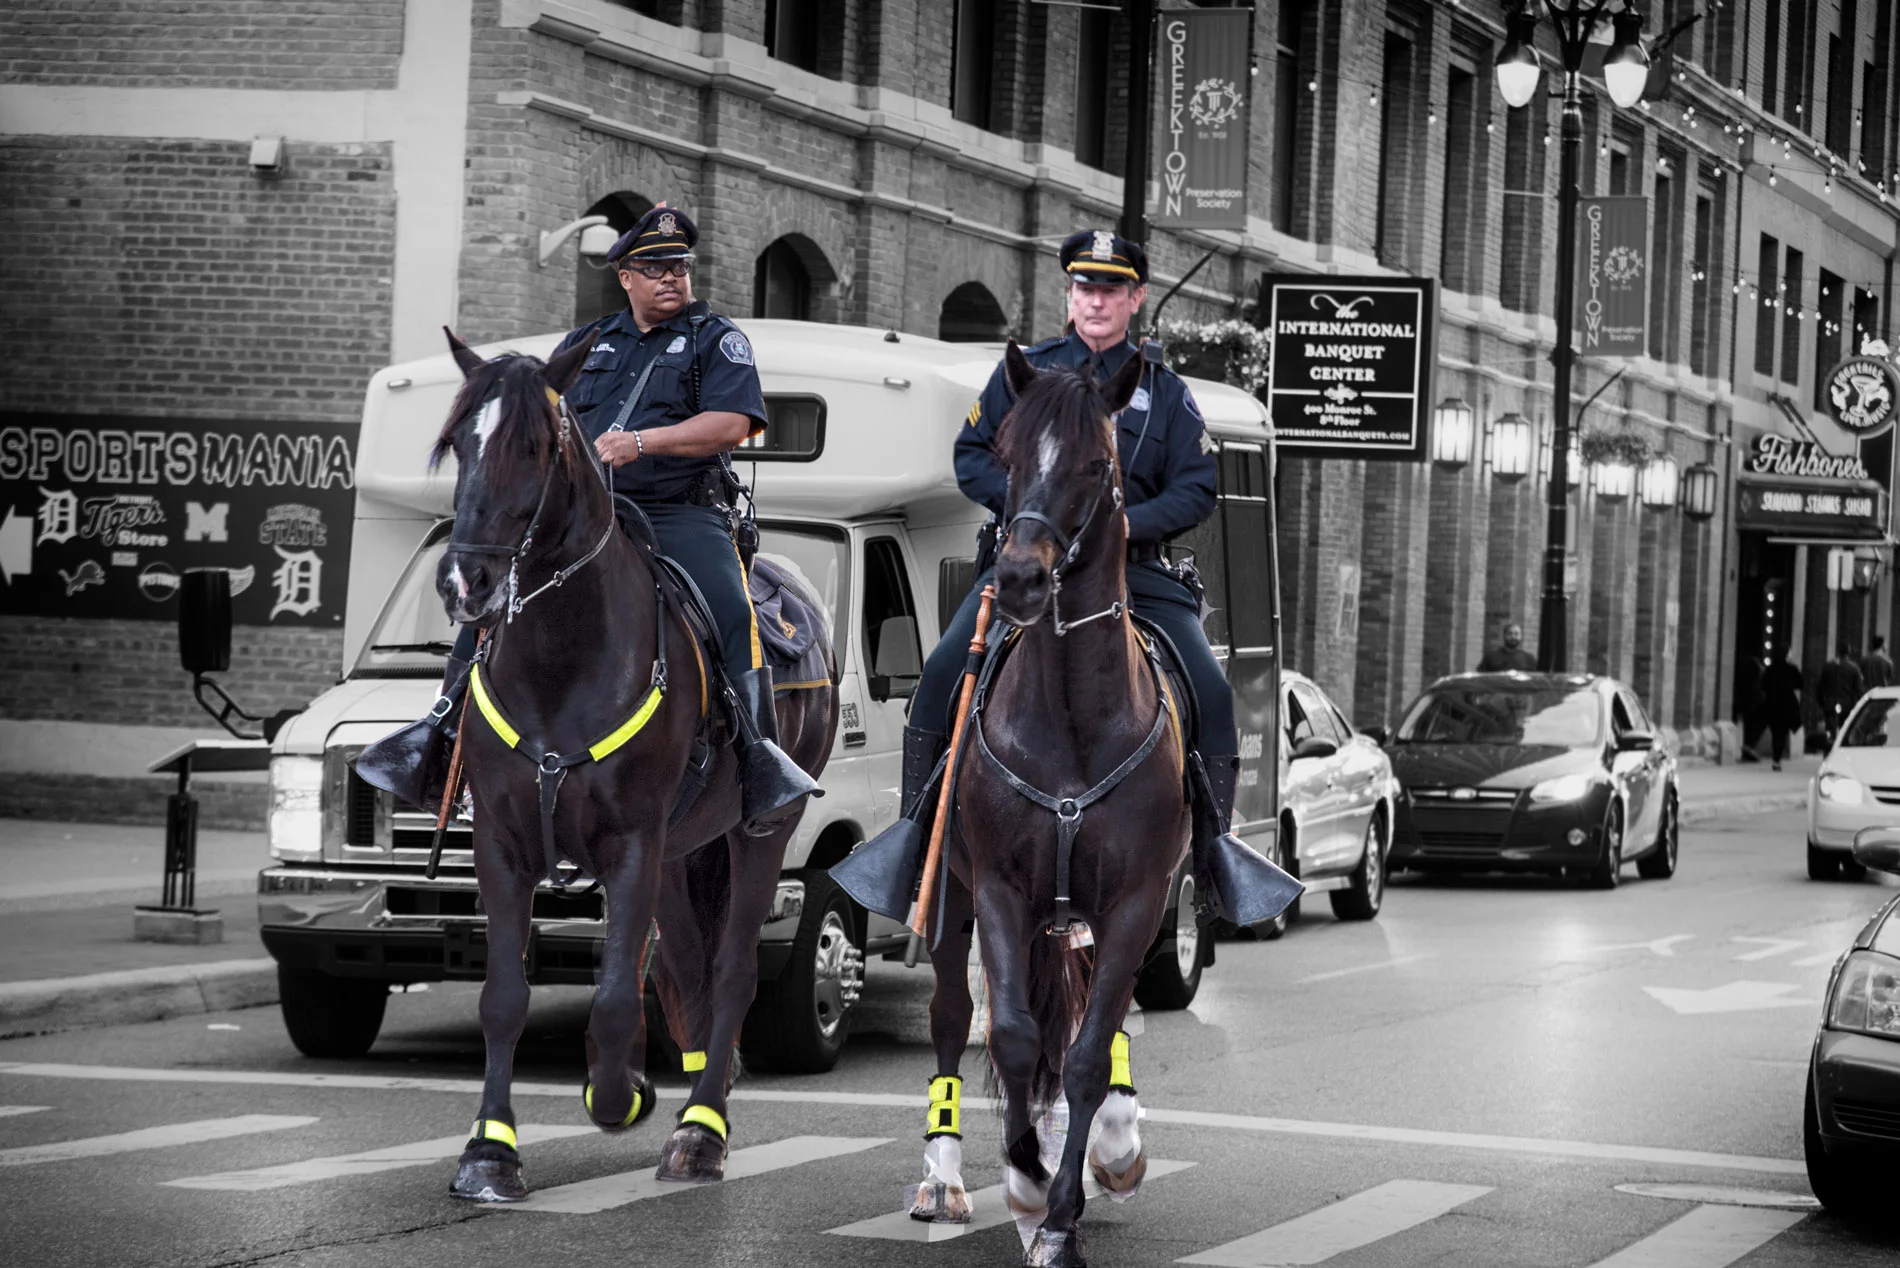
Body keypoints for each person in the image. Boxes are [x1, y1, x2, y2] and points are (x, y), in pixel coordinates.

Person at [834, 228, 1282, 926]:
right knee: (943, 672)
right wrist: (1026, 515)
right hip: (1027, 571)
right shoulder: (1025, 373)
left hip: (1132, 578)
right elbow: (972, 455)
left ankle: (1217, 859)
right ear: (1068, 295)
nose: (1094, 300)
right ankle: (912, 840)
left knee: (1214, 690)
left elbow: (1198, 489)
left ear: (1134, 298)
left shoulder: (1162, 394)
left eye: (1110, 288)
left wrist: (1127, 524)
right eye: (1083, 286)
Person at [361, 205, 816, 830]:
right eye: (655, 267)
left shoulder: (717, 339)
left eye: (679, 266)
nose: (671, 278)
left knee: (734, 612)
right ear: (625, 276)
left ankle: (759, 762)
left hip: (679, 512)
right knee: (489, 604)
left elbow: (732, 424)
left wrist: (643, 442)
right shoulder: (585, 343)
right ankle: (438, 737)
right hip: (584, 517)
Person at [1760, 645, 1804, 771]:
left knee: (1776, 733)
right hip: (1786, 705)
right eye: (1789, 652)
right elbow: (1800, 684)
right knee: (1782, 733)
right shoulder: (1791, 668)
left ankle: (1776, 759)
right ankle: (1777, 760)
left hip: (1772, 704)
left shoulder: (1770, 668)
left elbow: (1763, 685)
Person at [1817, 640, 1865, 746]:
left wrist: (1821, 703)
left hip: (1829, 705)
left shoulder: (1828, 666)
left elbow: (1820, 687)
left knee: (1830, 731)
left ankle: (1829, 749)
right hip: (1847, 706)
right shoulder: (1854, 668)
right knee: (1845, 732)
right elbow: (1858, 690)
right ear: (1849, 652)